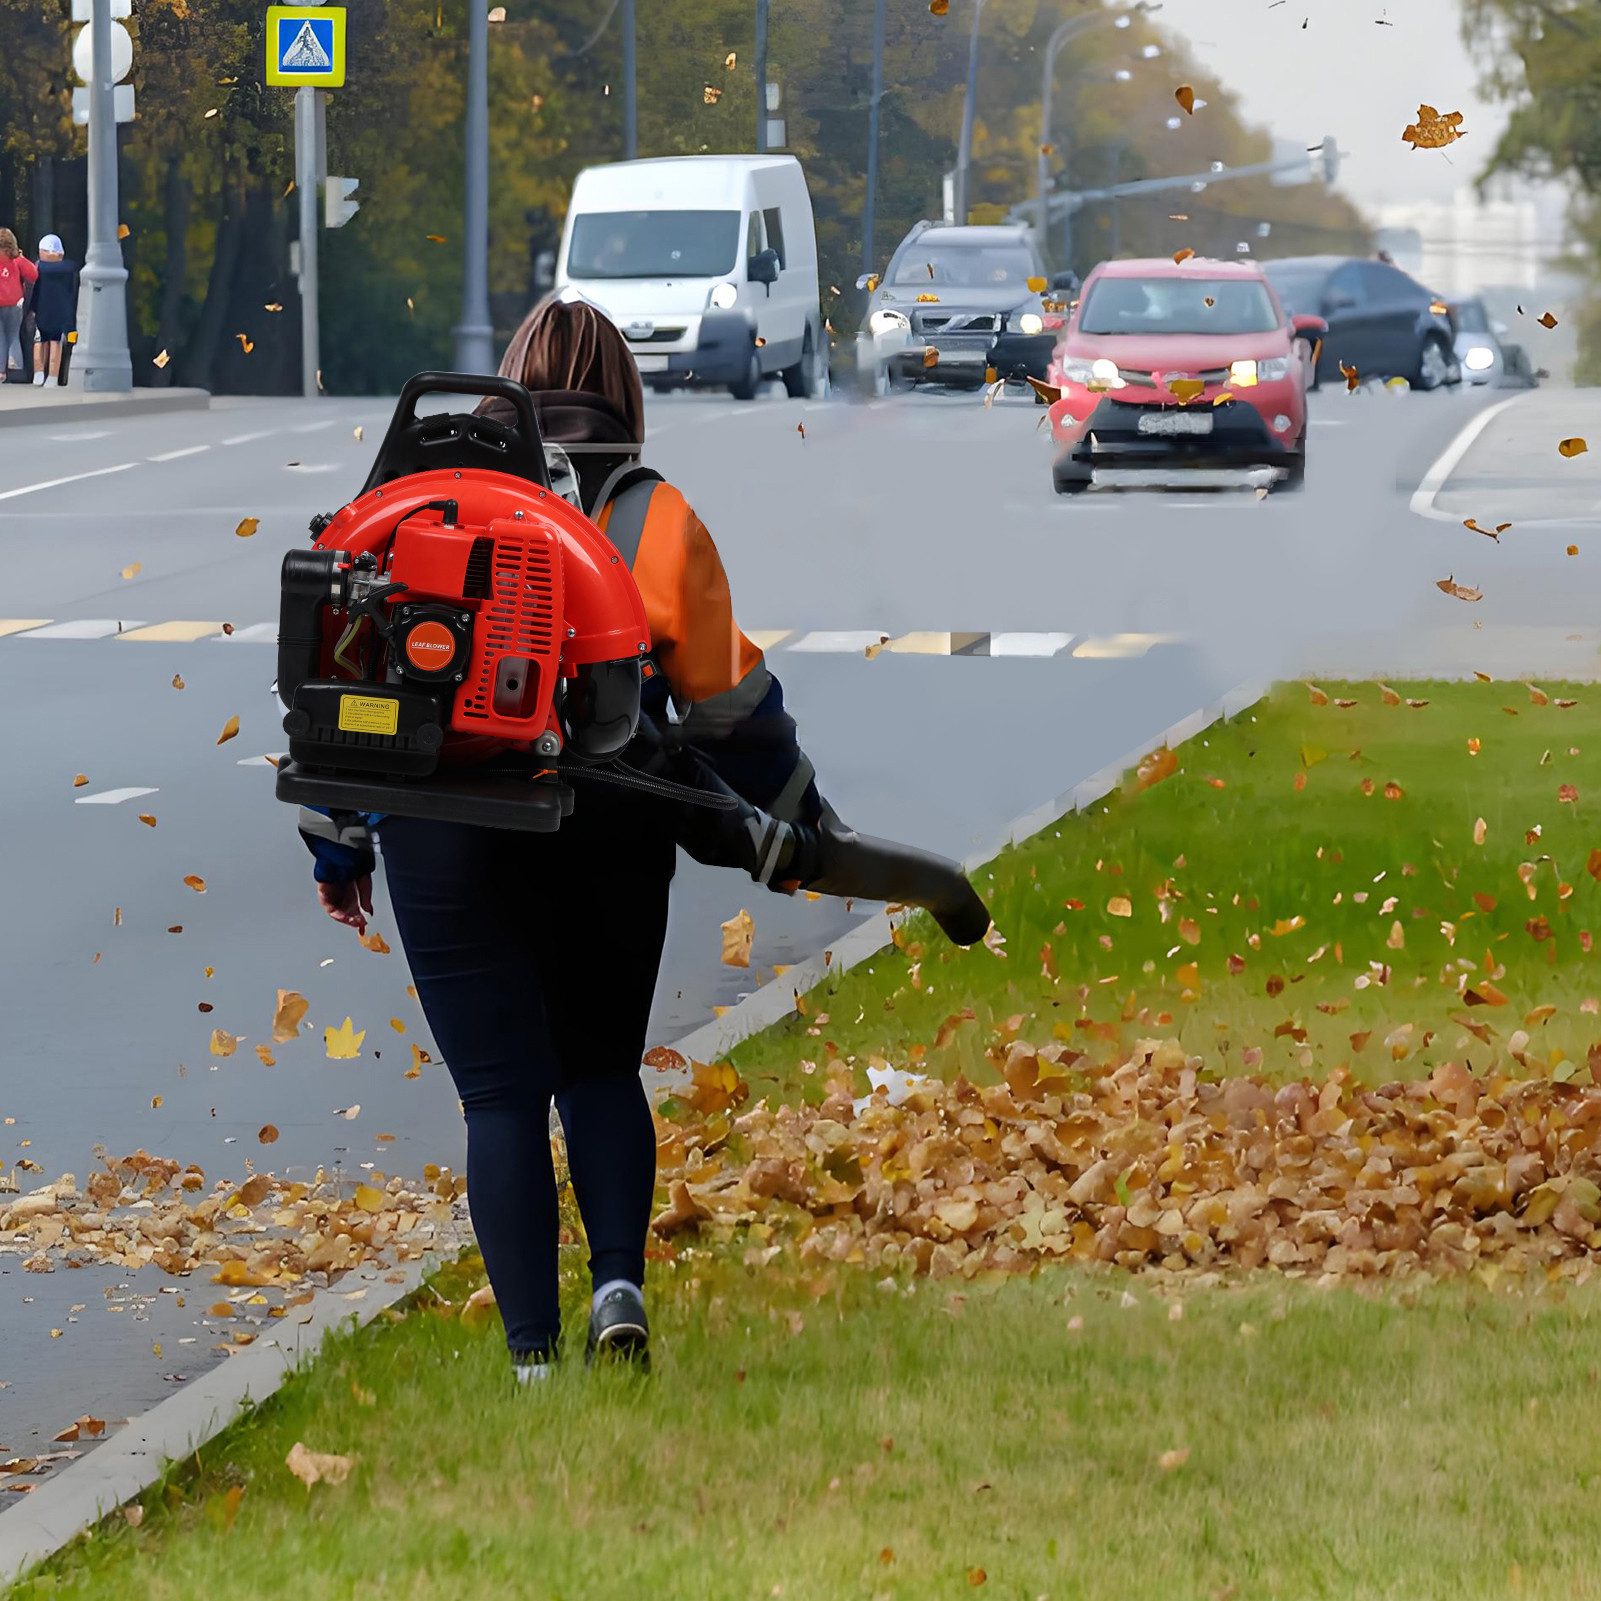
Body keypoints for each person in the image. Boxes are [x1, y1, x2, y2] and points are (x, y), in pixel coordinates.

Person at [302, 295, 823, 1383]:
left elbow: (343, 683)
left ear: (508, 386)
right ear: (624, 399)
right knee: (597, 1068)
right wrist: (798, 812)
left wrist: (339, 847)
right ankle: (617, 1286)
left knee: (498, 1096)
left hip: (444, 829)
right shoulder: (651, 515)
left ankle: (532, 1362)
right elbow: (729, 704)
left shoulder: (416, 495)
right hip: (611, 820)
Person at [27, 235, 77, 388]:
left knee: (39, 341)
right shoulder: (70, 269)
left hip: (41, 310)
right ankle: (53, 377)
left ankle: (38, 373)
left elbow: (34, 292)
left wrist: (31, 309)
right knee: (56, 343)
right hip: (61, 311)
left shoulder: (38, 268)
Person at [0, 229, 38, 384]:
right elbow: (33, 274)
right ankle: (16, 369)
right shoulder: (17, 260)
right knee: (13, 335)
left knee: (0, 336)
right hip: (16, 303)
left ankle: (1, 372)